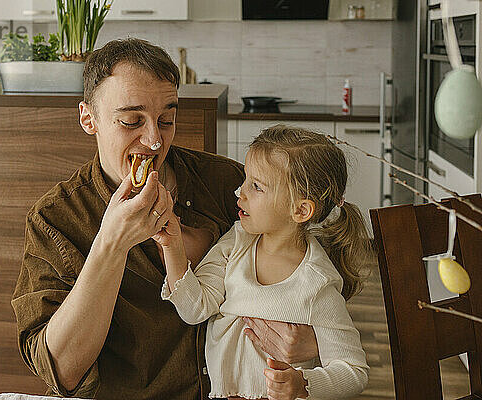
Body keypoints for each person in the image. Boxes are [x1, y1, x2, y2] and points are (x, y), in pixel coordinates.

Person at [11, 38, 319, 400]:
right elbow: (59, 371)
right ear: (88, 119)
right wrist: (111, 244)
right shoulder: (56, 218)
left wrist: (315, 341)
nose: (154, 140)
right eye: (131, 121)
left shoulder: (229, 185)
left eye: (166, 119)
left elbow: (317, 270)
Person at [158, 125, 373, 400]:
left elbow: (353, 371)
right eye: (246, 180)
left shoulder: (317, 283)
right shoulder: (235, 243)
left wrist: (302, 384)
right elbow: (195, 309)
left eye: (256, 186)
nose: (240, 192)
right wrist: (172, 246)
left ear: (300, 210)